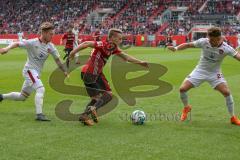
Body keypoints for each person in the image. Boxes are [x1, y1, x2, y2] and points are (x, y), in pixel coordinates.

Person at [69, 28, 148, 126]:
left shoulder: (112, 48)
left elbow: (126, 57)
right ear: (112, 38)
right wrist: (72, 52)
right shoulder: (104, 44)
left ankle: (84, 116)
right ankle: (93, 109)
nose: (121, 41)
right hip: (91, 72)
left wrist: (140, 62)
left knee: (95, 98)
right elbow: (86, 43)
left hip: (90, 73)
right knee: (108, 95)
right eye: (119, 38)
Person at [168, 27, 240, 125]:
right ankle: (186, 107)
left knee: (226, 92)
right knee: (182, 89)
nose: (209, 41)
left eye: (212, 40)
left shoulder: (226, 48)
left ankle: (233, 117)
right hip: (200, 71)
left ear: (219, 39)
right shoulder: (204, 42)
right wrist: (176, 48)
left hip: (215, 73)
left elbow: (237, 56)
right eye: (209, 39)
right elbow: (188, 45)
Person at [0, 22, 68, 121]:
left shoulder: (51, 46)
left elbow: (57, 60)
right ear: (43, 33)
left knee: (22, 96)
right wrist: (6, 48)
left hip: (36, 73)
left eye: (53, 34)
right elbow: (17, 43)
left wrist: (64, 71)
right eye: (50, 34)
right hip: (29, 70)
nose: (52, 36)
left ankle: (1, 97)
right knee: (41, 88)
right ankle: (39, 114)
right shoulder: (32, 42)